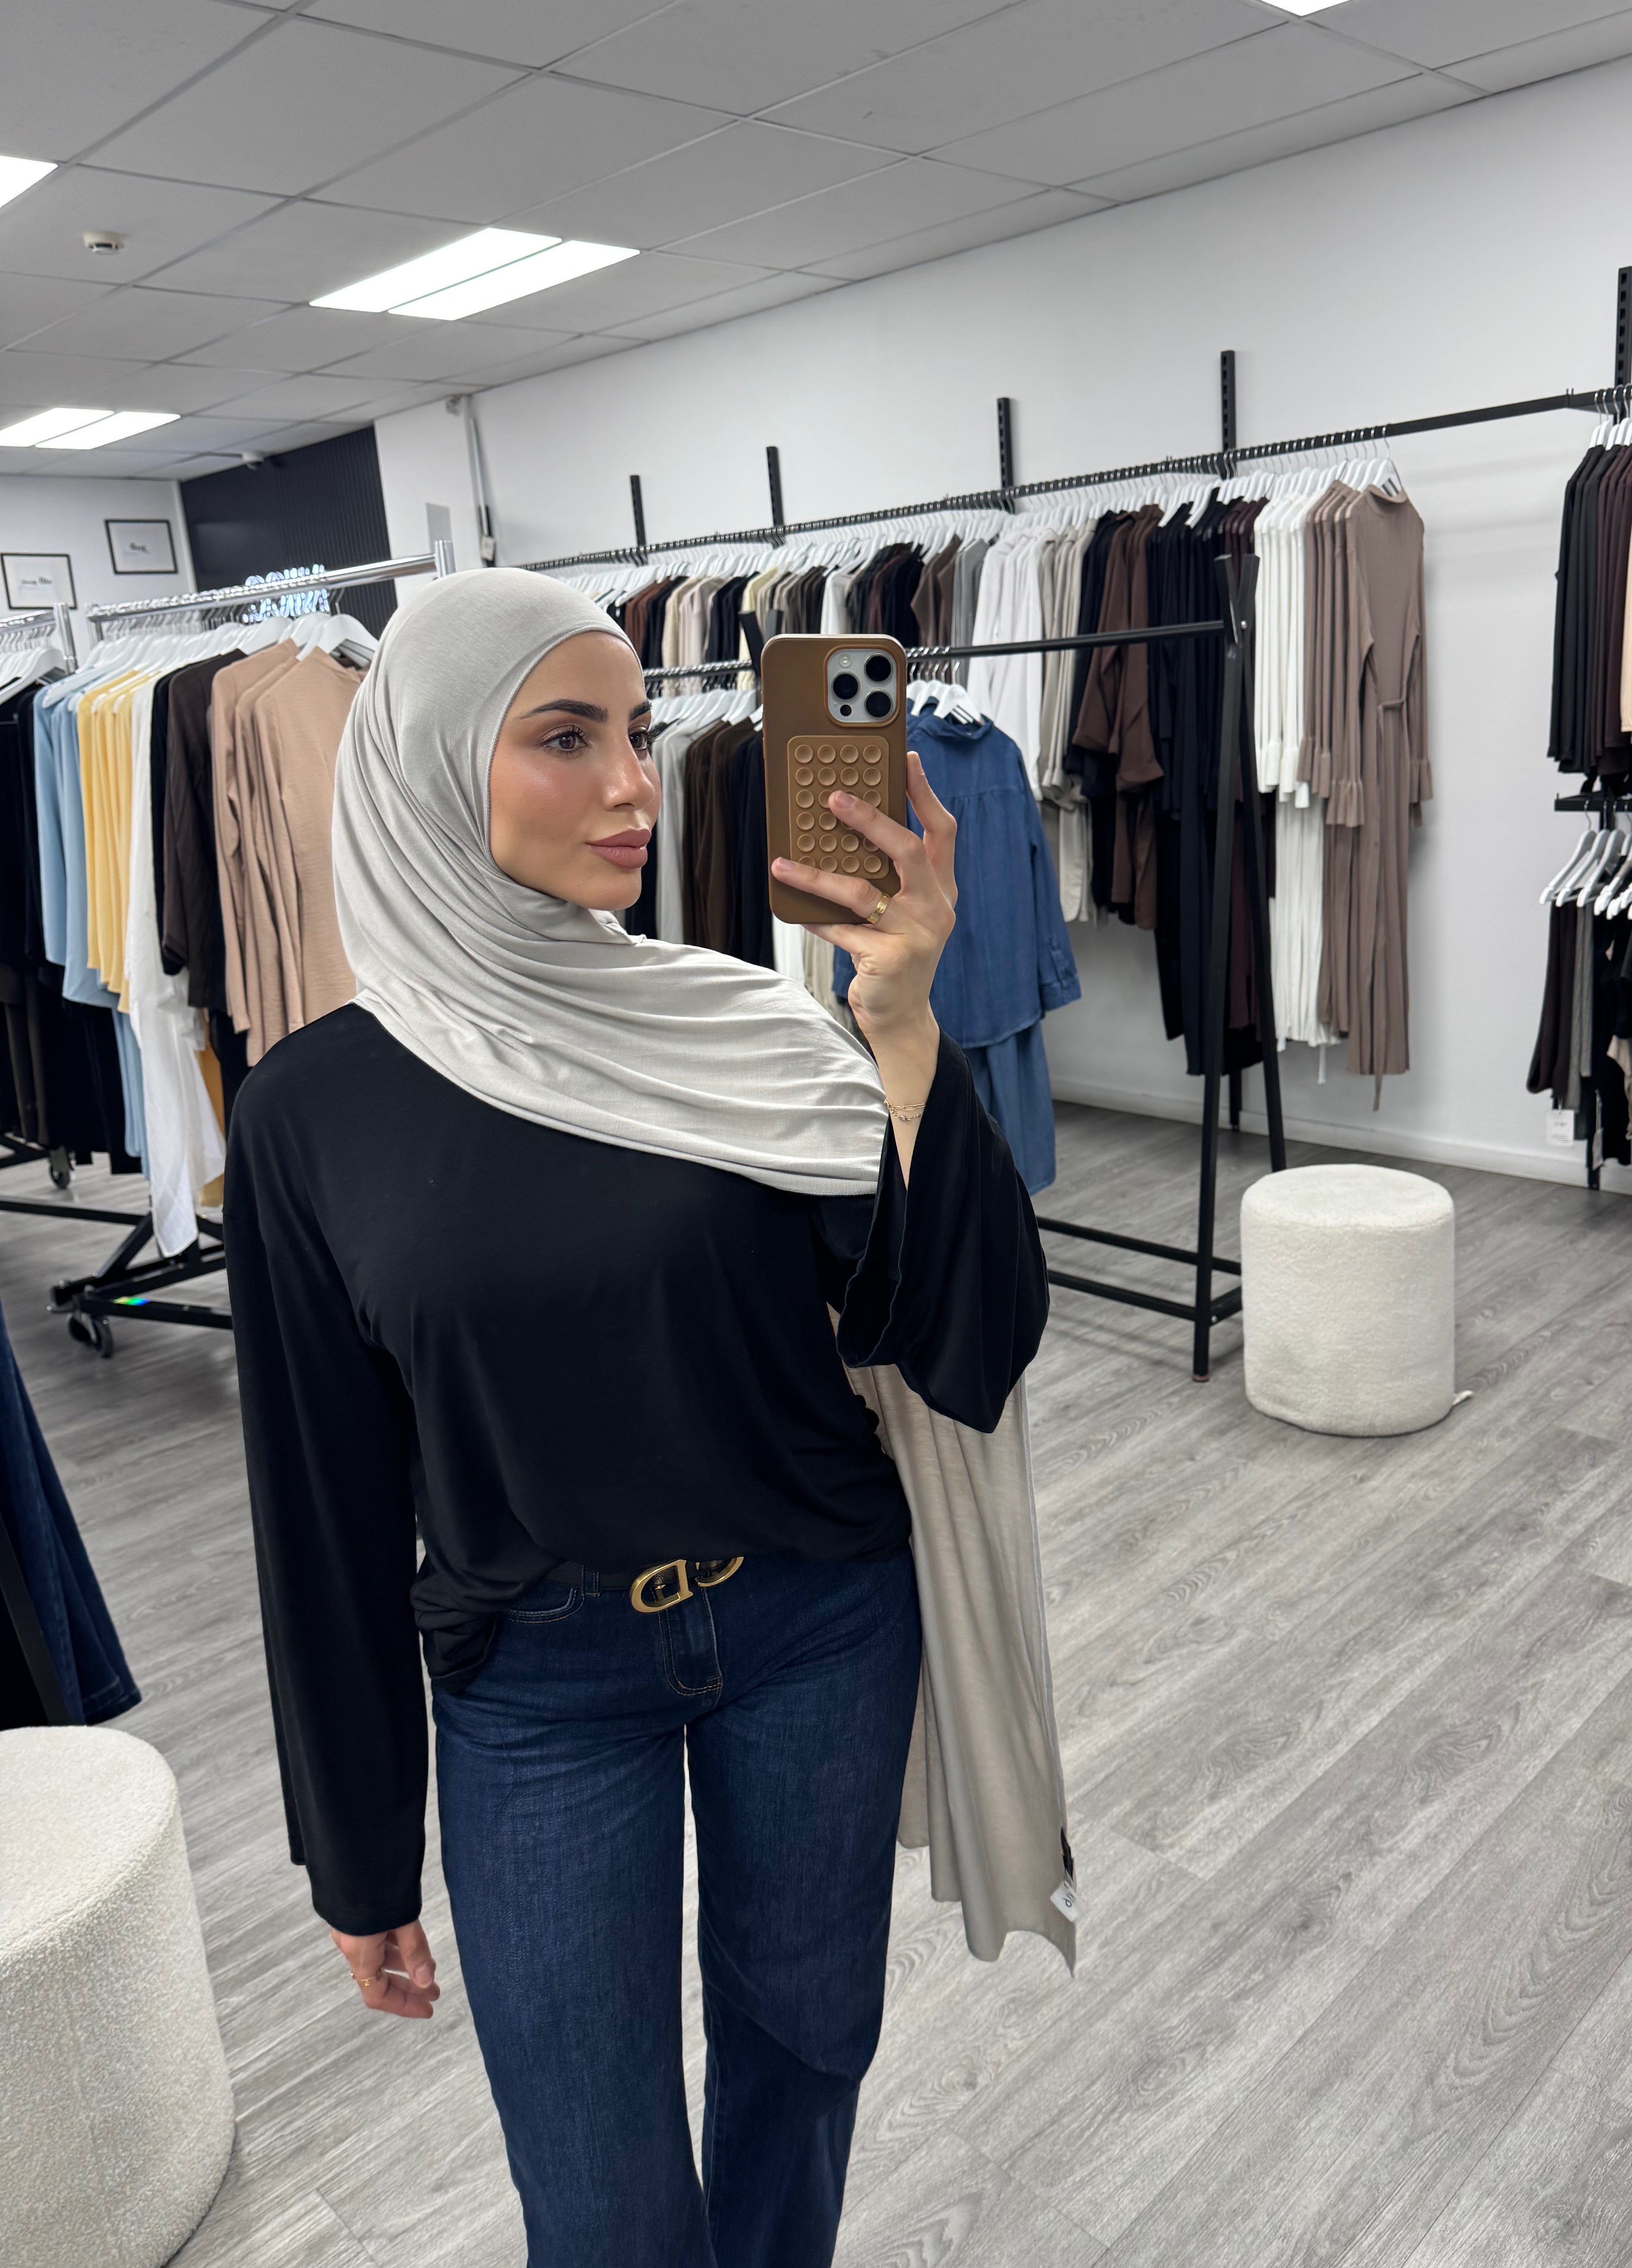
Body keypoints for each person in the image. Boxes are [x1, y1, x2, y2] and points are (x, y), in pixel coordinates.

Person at [225, 569, 1049, 2268]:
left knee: (803, 2063)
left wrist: (902, 1022)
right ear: (431, 764)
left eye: (639, 732)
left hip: (817, 1626)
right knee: (596, 2184)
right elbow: (321, 1505)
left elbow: (968, 1344)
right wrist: (357, 1854)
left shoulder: (745, 1032)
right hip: (540, 1681)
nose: (631, 785)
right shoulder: (315, 1113)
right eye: (564, 737)